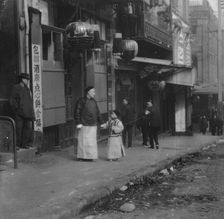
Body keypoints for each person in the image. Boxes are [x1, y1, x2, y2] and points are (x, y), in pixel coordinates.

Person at [74, 86, 102, 161]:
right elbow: (77, 112)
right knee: (82, 142)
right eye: (93, 92)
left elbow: (97, 112)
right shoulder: (81, 101)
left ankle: (90, 157)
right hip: (83, 125)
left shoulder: (94, 101)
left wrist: (101, 122)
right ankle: (81, 157)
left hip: (93, 125)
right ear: (88, 92)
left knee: (91, 143)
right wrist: (78, 122)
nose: (94, 93)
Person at [10, 73, 35, 149]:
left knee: (27, 128)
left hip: (28, 113)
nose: (27, 81)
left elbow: (29, 100)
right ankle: (17, 145)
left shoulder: (27, 89)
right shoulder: (16, 87)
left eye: (27, 79)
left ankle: (24, 144)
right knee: (18, 129)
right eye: (26, 79)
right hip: (19, 113)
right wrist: (17, 109)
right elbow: (12, 100)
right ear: (22, 79)